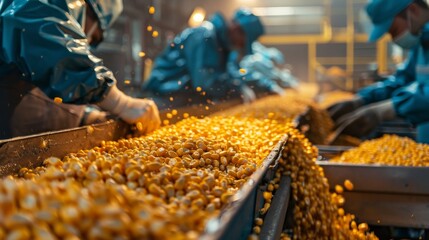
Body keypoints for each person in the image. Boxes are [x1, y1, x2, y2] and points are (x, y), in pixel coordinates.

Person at [0, 0, 161, 139]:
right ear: (89, 10)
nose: (88, 41)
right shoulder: (39, 8)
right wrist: (121, 102)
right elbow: (34, 28)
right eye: (95, 36)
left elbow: (49, 83)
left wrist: (87, 115)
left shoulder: (35, 62)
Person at [328, 0, 429, 143]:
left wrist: (386, 110)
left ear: (413, 10)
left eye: (394, 30)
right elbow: (403, 80)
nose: (394, 39)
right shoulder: (421, 45)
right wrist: (361, 99)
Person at [142, 9, 264, 110]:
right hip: (166, 98)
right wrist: (237, 89)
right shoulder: (204, 36)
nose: (241, 46)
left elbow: (229, 74)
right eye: (243, 42)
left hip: (185, 99)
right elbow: (204, 82)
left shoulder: (222, 46)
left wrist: (239, 85)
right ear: (237, 29)